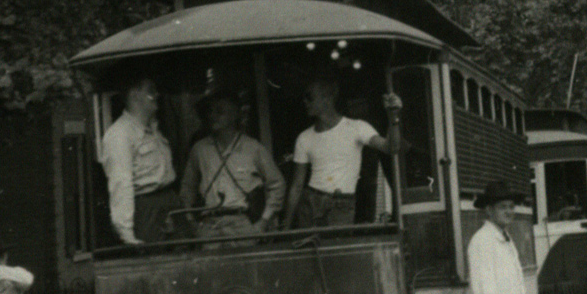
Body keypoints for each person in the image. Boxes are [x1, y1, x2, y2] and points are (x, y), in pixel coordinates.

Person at [285, 77, 401, 229]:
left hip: (341, 203)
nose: (305, 102)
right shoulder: (304, 138)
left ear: (327, 98)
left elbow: (391, 148)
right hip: (311, 202)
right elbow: (297, 186)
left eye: (309, 97)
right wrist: (286, 224)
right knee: (309, 249)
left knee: (335, 249)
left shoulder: (356, 127)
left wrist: (393, 117)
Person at [180, 90, 286, 240]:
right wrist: (192, 224)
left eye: (220, 111)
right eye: (211, 111)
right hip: (209, 226)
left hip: (242, 224)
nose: (213, 116)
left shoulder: (253, 148)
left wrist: (262, 223)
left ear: (235, 115)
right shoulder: (199, 149)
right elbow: (187, 189)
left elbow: (277, 184)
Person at [100, 75, 177, 245]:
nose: (156, 95)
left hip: (169, 204)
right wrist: (125, 230)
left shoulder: (154, 129)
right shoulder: (120, 135)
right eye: (150, 91)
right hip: (146, 210)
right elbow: (121, 183)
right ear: (134, 96)